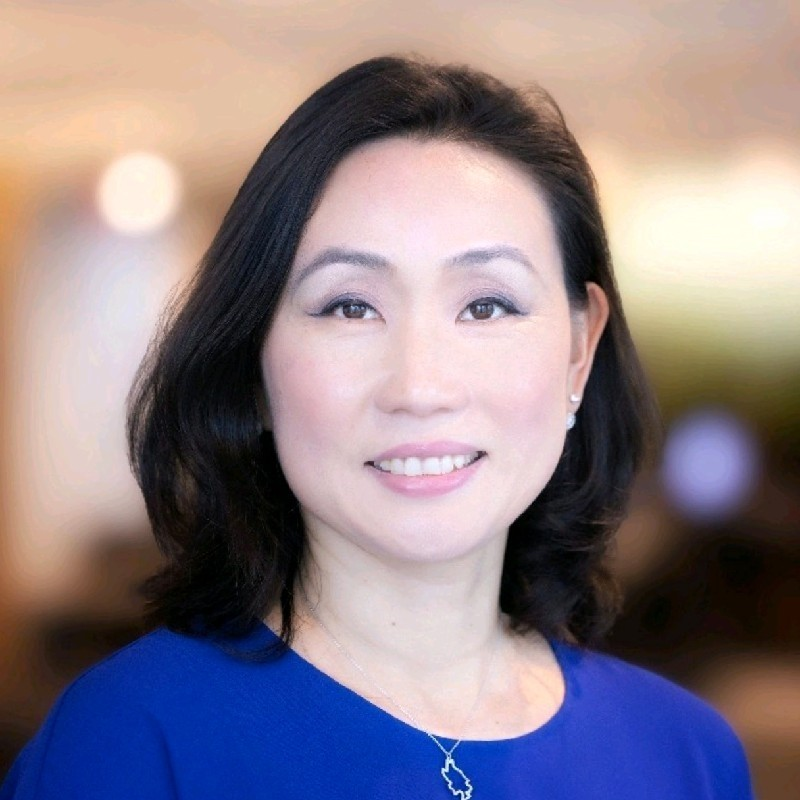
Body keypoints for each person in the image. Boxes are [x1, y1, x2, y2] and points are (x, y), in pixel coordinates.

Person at [1, 55, 753, 799]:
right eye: (350, 307)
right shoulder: (127, 744)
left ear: (579, 352)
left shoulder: (688, 756)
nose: (419, 387)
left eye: (486, 306)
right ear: (252, 362)